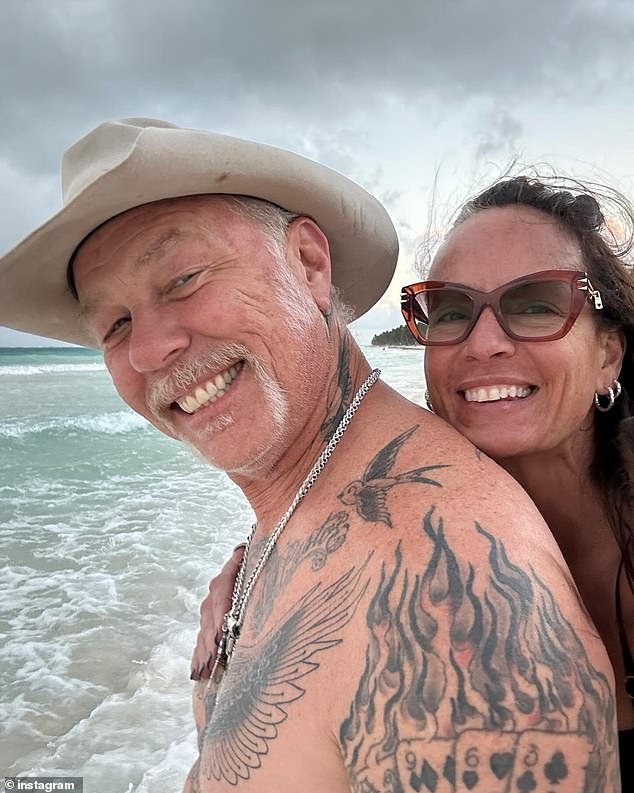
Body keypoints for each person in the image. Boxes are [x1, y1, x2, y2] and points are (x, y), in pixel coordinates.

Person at [0, 120, 620, 792]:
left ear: (309, 264)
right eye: (114, 326)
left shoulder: (451, 594)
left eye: (182, 278)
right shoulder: (304, 507)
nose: (149, 350)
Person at [194, 173, 634, 789]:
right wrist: (255, 583)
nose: (484, 344)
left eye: (536, 303)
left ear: (608, 354)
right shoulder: (405, 523)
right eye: (451, 310)